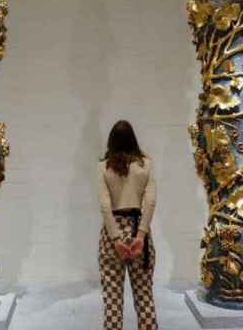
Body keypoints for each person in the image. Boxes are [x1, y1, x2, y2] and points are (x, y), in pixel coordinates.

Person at [97, 120, 158, 330]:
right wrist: (141, 236)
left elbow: (105, 205)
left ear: (111, 141)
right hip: (137, 229)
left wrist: (115, 238)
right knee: (144, 297)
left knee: (112, 300)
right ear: (133, 139)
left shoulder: (103, 167)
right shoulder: (146, 165)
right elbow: (150, 202)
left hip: (112, 234)